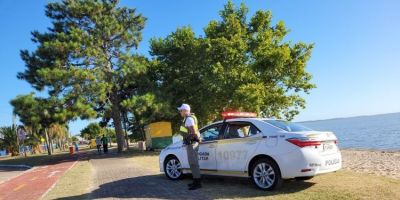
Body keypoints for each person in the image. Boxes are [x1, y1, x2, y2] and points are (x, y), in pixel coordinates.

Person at [178, 103, 202, 190]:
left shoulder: (189, 119)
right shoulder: (189, 118)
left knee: (193, 163)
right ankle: (196, 181)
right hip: (192, 143)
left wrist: (189, 139)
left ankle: (197, 183)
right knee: (193, 163)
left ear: (185, 111)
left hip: (192, 143)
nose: (180, 112)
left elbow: (193, 132)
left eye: (181, 110)